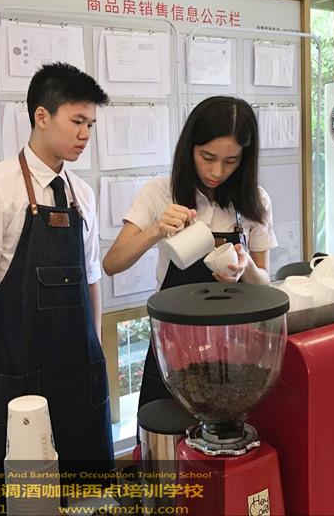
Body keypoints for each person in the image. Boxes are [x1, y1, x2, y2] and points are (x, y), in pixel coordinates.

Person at [0, 62, 113, 498]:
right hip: (16, 378)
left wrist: (94, 358)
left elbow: (91, 277)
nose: (85, 134)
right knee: (26, 498)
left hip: (78, 378)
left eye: (90, 124)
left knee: (87, 495)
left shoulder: (82, 194)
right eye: (77, 121)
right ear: (42, 116)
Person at [102, 96, 277, 408]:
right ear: (189, 148)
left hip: (234, 346)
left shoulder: (256, 200)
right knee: (169, 429)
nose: (217, 171)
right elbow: (112, 263)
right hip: (172, 344)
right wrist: (157, 229)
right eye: (207, 156)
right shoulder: (160, 192)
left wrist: (246, 266)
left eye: (231, 161)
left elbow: (264, 282)